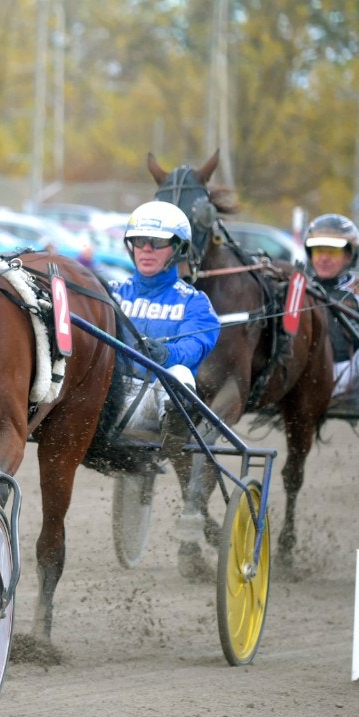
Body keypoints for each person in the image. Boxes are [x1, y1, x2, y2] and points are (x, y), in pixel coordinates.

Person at [109, 200, 220, 577]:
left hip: (157, 399)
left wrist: (168, 351)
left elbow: (199, 344)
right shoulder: (111, 292)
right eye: (139, 242)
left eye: (157, 243)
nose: (146, 250)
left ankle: (175, 433)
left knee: (181, 373)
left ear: (179, 249)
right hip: (108, 396)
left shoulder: (195, 302)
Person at [303, 213, 359, 410]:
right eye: (319, 251)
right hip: (304, 376)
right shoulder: (299, 287)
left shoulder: (356, 289)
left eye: (332, 252)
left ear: (349, 256)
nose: (324, 259)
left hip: (347, 375)